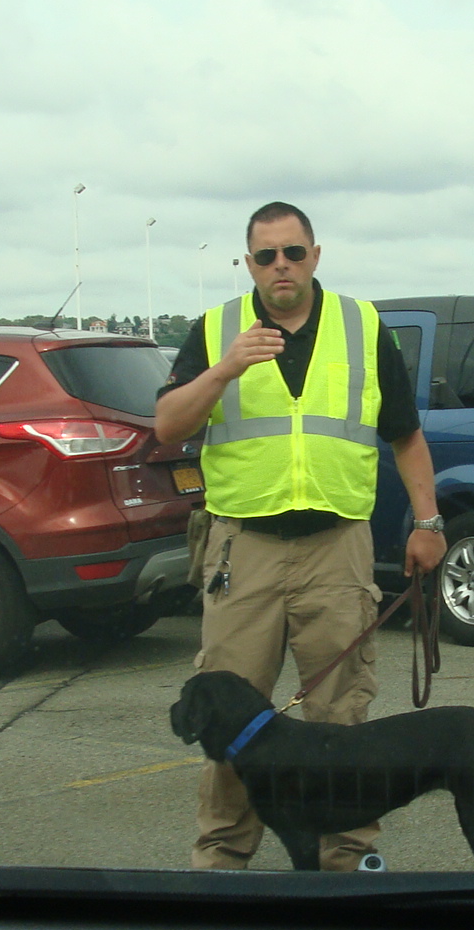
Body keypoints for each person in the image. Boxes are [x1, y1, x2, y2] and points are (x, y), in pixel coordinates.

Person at [154, 201, 448, 872]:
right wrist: (224, 369)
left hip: (335, 545)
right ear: (249, 263)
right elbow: (167, 426)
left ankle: (347, 860)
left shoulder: (363, 326)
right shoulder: (217, 329)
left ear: (316, 256)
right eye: (265, 256)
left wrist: (428, 522)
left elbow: (404, 435)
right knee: (229, 716)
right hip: (243, 547)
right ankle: (224, 859)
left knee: (340, 711)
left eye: (293, 253)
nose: (280, 267)